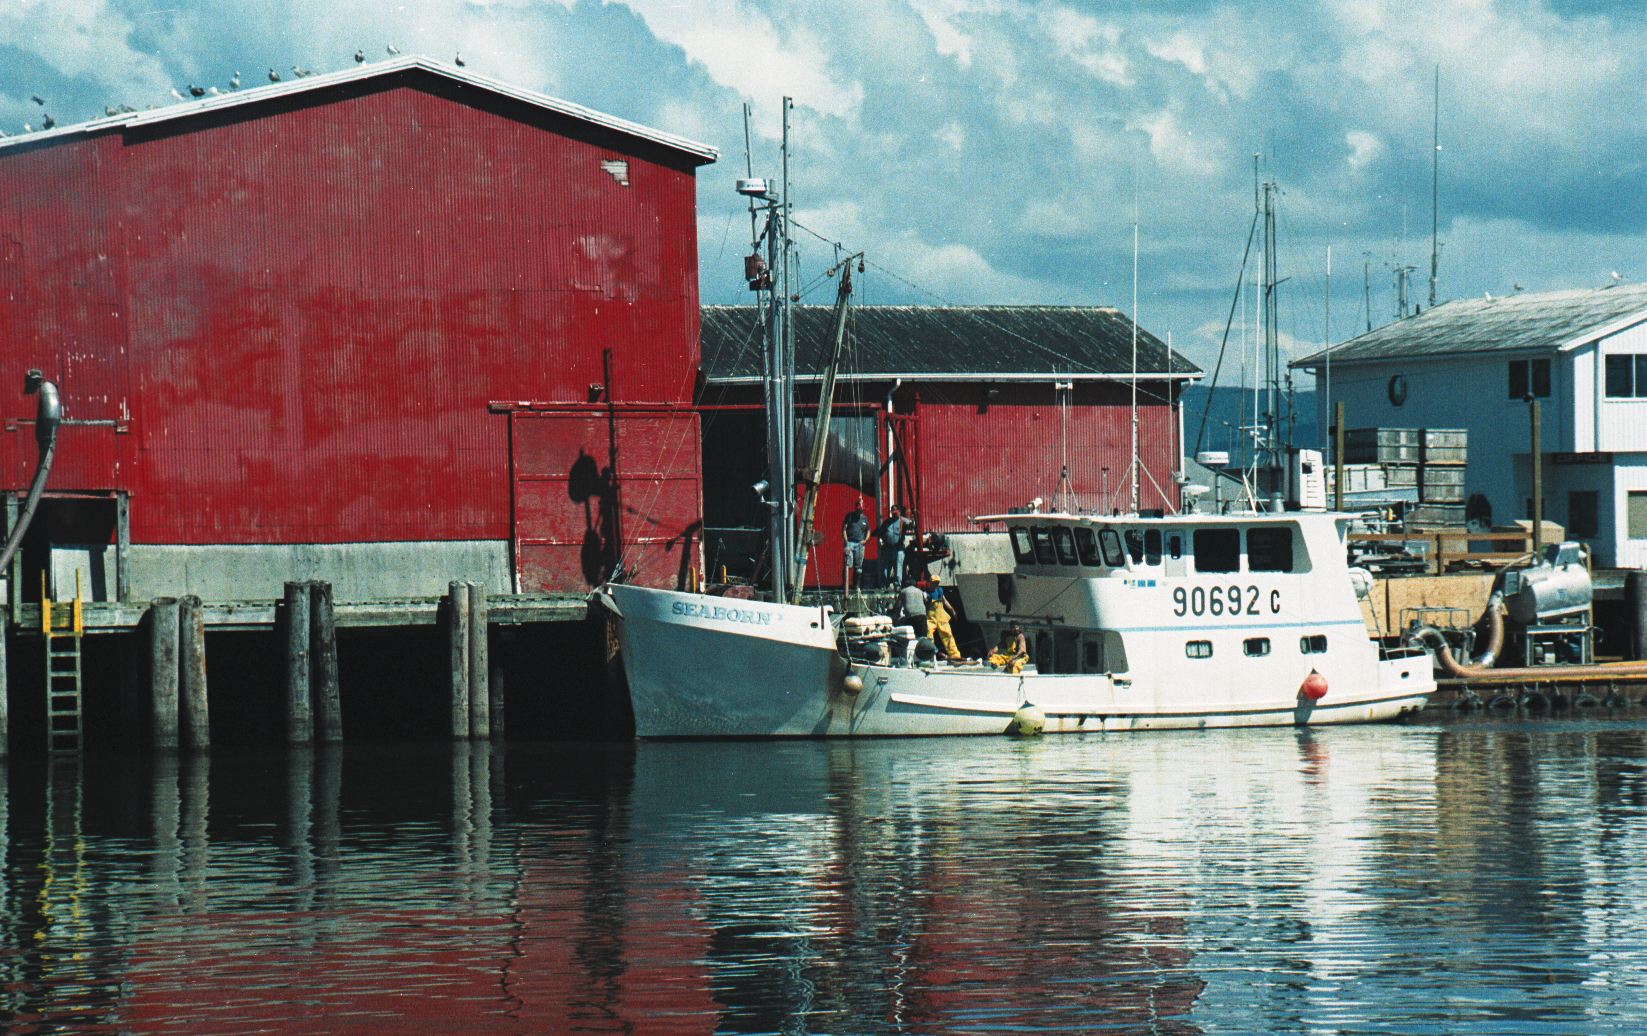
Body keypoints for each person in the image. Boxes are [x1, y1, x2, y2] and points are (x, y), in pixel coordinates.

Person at [926, 584, 963, 663]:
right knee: (929, 636)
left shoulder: (939, 591)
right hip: (931, 617)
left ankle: (955, 655)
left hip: (941, 616)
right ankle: (928, 657)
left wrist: (952, 610)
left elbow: (945, 602)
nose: (935, 584)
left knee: (948, 635)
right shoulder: (926, 593)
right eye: (934, 582)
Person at [876, 505, 909, 588]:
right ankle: (884, 584)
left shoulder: (903, 521)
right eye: (893, 513)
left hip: (898, 549)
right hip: (887, 548)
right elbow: (880, 532)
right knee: (885, 568)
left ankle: (898, 584)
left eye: (896, 513)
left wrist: (913, 521)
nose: (894, 515)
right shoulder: (887, 522)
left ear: (899, 512)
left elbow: (912, 525)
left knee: (898, 566)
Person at [842, 501, 870, 590]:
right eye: (859, 509)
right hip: (850, 542)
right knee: (848, 564)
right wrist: (846, 542)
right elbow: (844, 529)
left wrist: (865, 540)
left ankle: (856, 585)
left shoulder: (864, 519)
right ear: (855, 508)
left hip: (860, 544)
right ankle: (845, 586)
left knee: (858, 567)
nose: (860, 511)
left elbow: (868, 530)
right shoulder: (849, 516)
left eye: (862, 510)